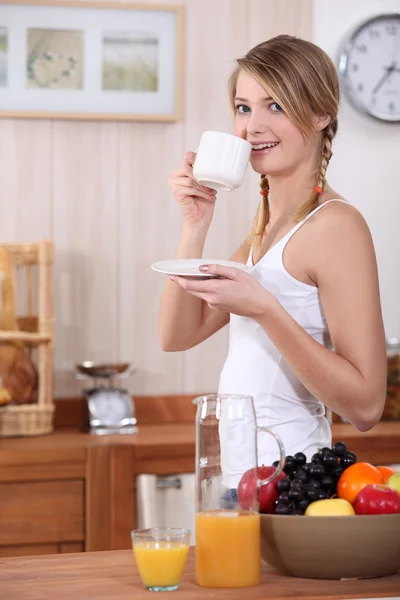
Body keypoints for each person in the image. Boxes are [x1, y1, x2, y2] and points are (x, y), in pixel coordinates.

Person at [158, 35, 387, 474]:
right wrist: (195, 225)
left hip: (291, 480)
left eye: (275, 106)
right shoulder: (266, 226)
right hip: (243, 480)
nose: (252, 127)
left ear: (322, 114)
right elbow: (177, 336)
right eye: (244, 107)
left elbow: (366, 406)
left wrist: (266, 310)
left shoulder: (336, 226)